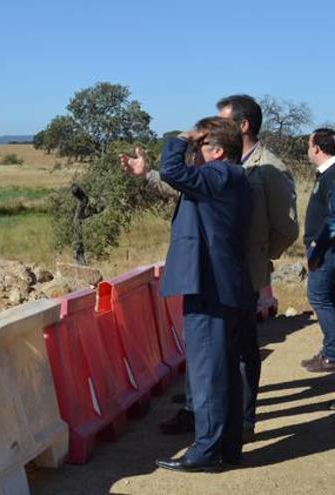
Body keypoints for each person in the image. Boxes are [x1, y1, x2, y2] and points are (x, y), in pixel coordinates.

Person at [122, 95, 299, 439]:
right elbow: (186, 190)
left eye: (222, 121)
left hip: (242, 271)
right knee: (205, 346)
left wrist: (257, 257)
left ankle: (241, 420)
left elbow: (287, 228)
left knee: (242, 349)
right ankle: (198, 411)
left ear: (243, 126)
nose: (209, 131)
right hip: (214, 270)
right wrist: (147, 175)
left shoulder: (270, 168)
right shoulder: (218, 165)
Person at [127, 117, 253, 472]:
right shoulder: (230, 177)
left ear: (215, 150)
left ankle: (205, 451)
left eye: (199, 147)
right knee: (223, 368)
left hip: (210, 287)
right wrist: (149, 173)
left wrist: (180, 139)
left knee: (206, 371)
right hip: (223, 285)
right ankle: (226, 447)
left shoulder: (219, 174)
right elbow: (175, 180)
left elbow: (174, 170)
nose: (193, 153)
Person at [302, 128, 335, 372]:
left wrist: (316, 249)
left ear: (317, 148)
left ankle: (332, 354)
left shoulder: (332, 175)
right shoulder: (325, 174)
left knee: (320, 297)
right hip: (325, 249)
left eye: (309, 144)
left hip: (327, 252)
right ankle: (329, 350)